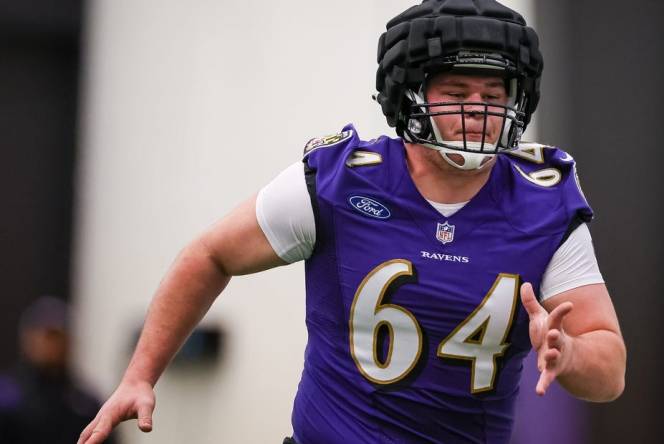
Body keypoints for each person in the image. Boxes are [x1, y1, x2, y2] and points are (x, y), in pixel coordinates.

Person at [78, 1, 626, 443]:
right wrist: (140, 374)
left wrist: (570, 354)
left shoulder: (543, 201)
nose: (478, 111)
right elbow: (210, 255)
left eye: (493, 94)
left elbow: (610, 368)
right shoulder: (342, 181)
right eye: (457, 93)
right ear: (407, 94)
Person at [0, 296, 116, 444]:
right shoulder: (6, 396)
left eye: (58, 336)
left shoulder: (86, 403)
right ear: (28, 339)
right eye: (47, 336)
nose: (52, 345)